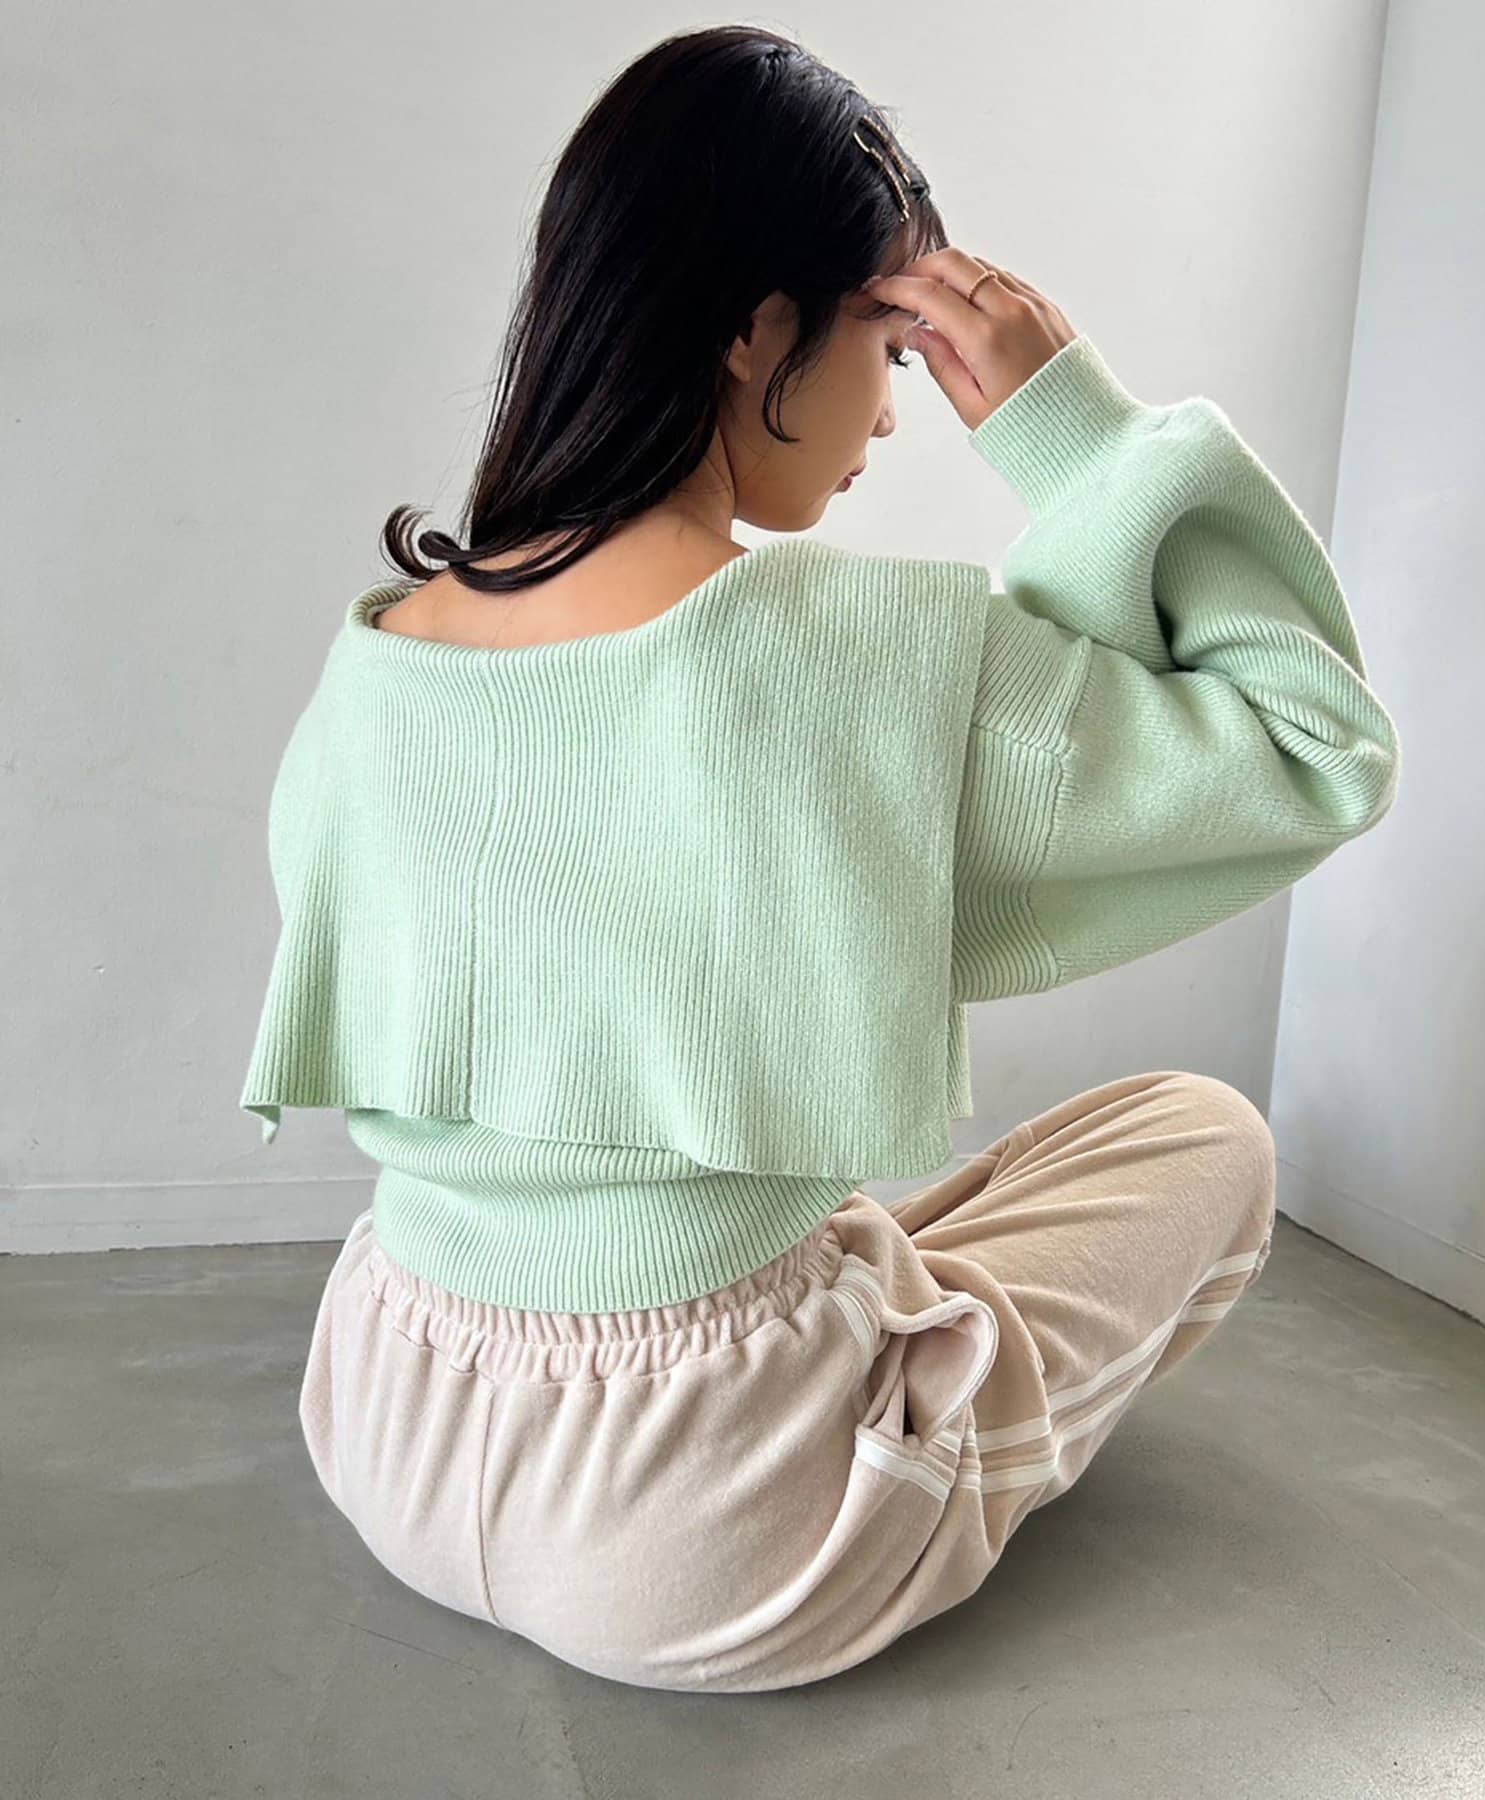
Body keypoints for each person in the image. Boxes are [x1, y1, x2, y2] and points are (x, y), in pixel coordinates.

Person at [240, 25, 1401, 1692]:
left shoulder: (388, 654)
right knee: (1201, 1133)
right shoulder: (867, 670)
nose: (895, 412)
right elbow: (1313, 744)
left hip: (386, 1417)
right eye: (888, 342)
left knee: (802, 1185)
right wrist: (1081, 441)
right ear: (757, 329)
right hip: (710, 1529)